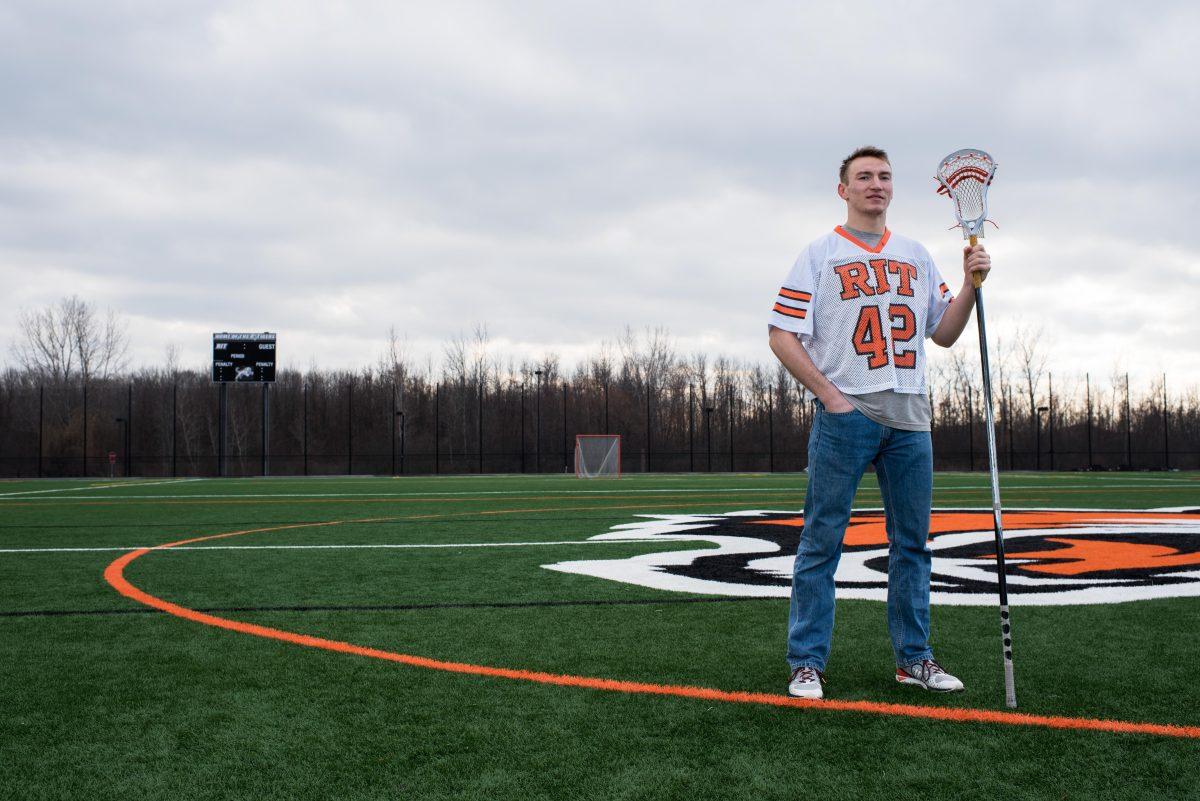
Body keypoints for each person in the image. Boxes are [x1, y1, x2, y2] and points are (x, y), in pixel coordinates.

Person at [767, 146, 991, 699]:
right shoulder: (819, 254)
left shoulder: (915, 254)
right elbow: (780, 334)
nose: (876, 185)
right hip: (848, 416)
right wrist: (831, 397)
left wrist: (970, 285)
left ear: (893, 188)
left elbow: (944, 333)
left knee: (913, 545)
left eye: (884, 177)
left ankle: (914, 658)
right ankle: (807, 662)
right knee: (821, 542)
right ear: (843, 190)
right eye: (863, 177)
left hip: (911, 417)